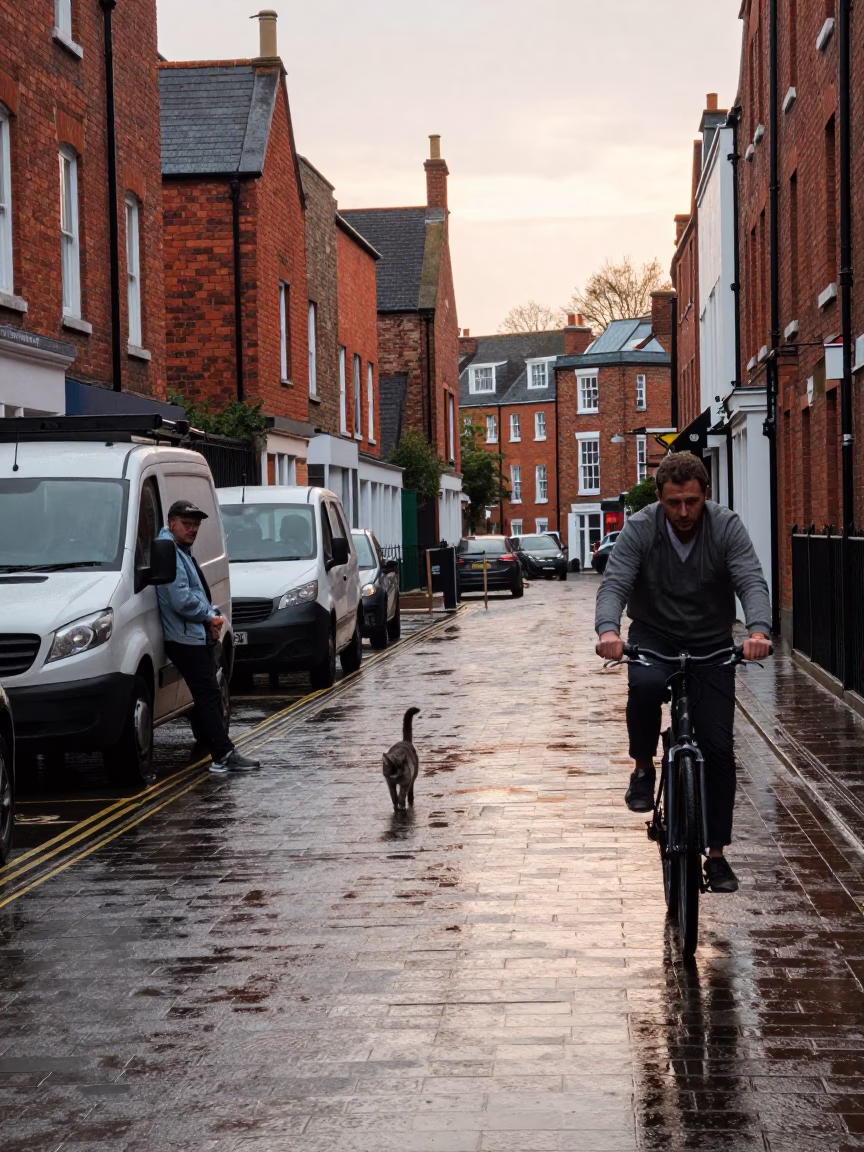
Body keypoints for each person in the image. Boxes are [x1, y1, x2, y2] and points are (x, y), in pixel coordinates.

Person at [594, 452, 772, 893]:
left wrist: (758, 631)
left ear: (705, 495)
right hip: (655, 633)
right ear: (660, 498)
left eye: (692, 501)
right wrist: (609, 630)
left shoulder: (725, 526)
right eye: (674, 503)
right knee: (646, 684)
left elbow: (750, 579)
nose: (684, 512)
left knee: (717, 746)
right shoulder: (640, 528)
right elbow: (615, 582)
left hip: (711, 639)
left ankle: (716, 855)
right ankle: (642, 767)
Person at [157, 500, 260, 775]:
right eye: (187, 524)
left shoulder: (179, 549)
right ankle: (223, 756)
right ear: (171, 523)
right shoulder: (170, 551)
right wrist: (208, 616)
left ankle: (220, 751)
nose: (192, 530)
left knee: (209, 695)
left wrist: (209, 618)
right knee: (209, 695)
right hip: (184, 637)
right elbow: (181, 599)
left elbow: (193, 593)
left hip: (192, 633)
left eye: (196, 526)